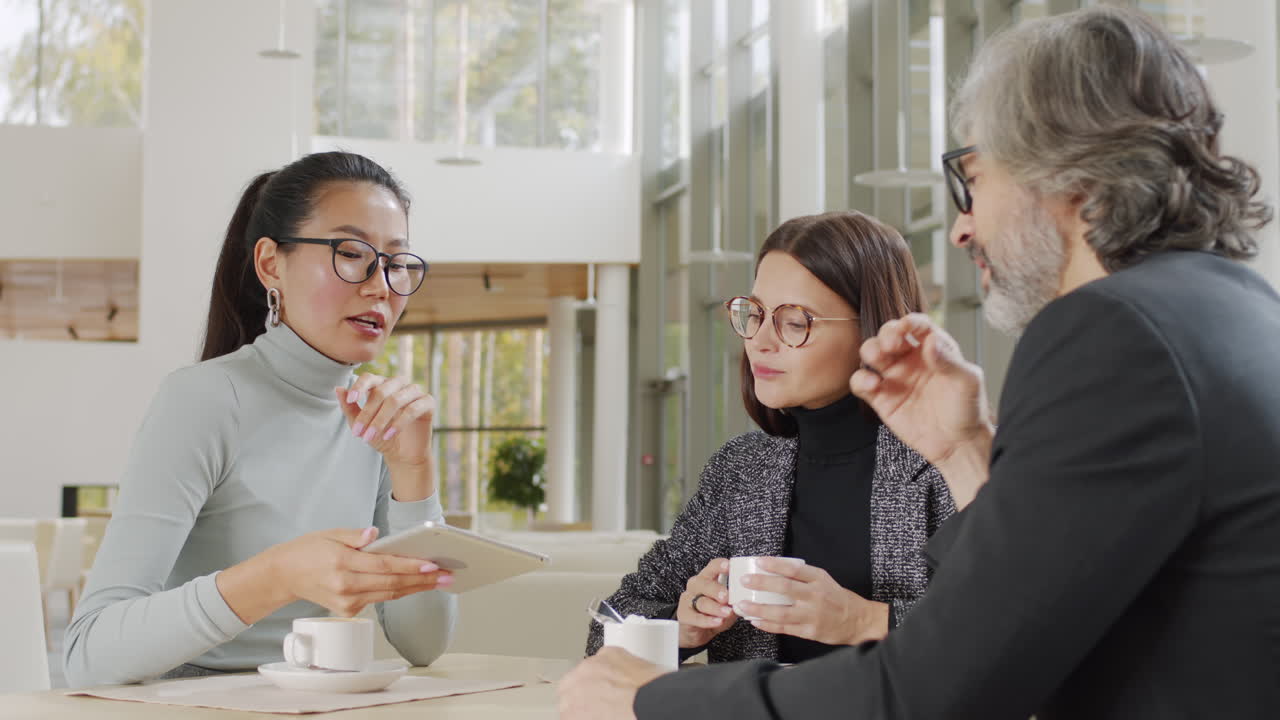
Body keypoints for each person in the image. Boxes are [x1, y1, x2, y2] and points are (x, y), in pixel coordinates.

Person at [559, 6, 1280, 718]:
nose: (964, 227)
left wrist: (657, 699)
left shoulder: (1111, 333)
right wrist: (966, 448)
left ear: (1066, 174)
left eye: (974, 178)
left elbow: (931, 688)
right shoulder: (1238, 310)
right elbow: (1046, 614)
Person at [64, 152, 456, 687]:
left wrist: (414, 472)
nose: (380, 285)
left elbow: (423, 645)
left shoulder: (376, 419)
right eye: (352, 253)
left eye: (396, 262)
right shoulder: (203, 399)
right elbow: (89, 653)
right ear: (271, 263)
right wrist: (278, 574)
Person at [585, 211, 954, 664]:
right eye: (755, 314)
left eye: (795, 322)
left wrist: (865, 622)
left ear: (873, 329)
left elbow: (1007, 631)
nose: (759, 340)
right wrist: (681, 626)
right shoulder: (742, 469)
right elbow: (608, 627)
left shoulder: (948, 464)